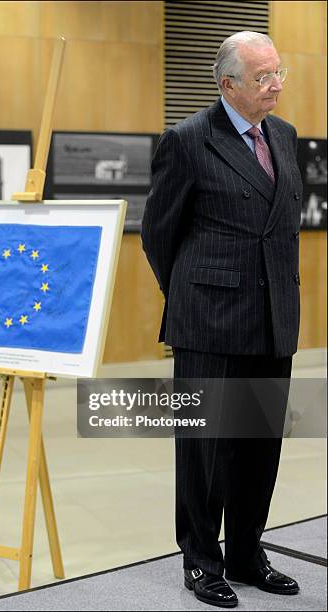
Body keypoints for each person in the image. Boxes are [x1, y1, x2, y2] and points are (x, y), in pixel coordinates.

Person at [141, 31, 302, 608]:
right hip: (209, 318)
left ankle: (246, 552)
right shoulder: (187, 141)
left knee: (259, 443)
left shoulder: (282, 137)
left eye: (279, 72)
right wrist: (192, 291)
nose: (275, 85)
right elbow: (158, 233)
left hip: (273, 318)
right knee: (205, 447)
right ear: (227, 83)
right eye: (262, 78)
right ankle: (202, 560)